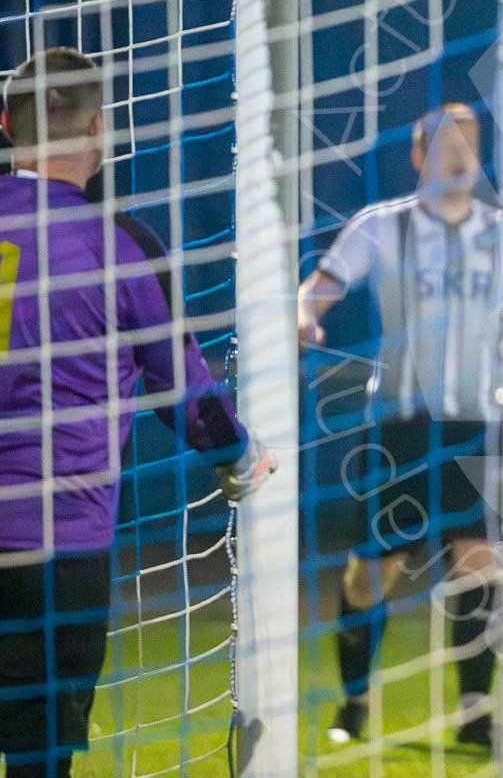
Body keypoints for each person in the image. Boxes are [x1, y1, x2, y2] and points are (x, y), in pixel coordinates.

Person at [0, 48, 273, 778]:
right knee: (37, 757)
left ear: (6, 125)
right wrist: (241, 457)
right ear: (100, 128)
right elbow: (187, 393)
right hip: (55, 547)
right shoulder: (119, 244)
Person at [297, 103, 503, 747]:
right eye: (444, 142)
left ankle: (475, 711)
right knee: (371, 574)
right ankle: (354, 703)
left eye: (468, 142)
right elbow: (320, 287)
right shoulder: (381, 227)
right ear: (418, 156)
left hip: (476, 426)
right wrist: (305, 314)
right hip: (400, 430)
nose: (457, 153)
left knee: (480, 565)